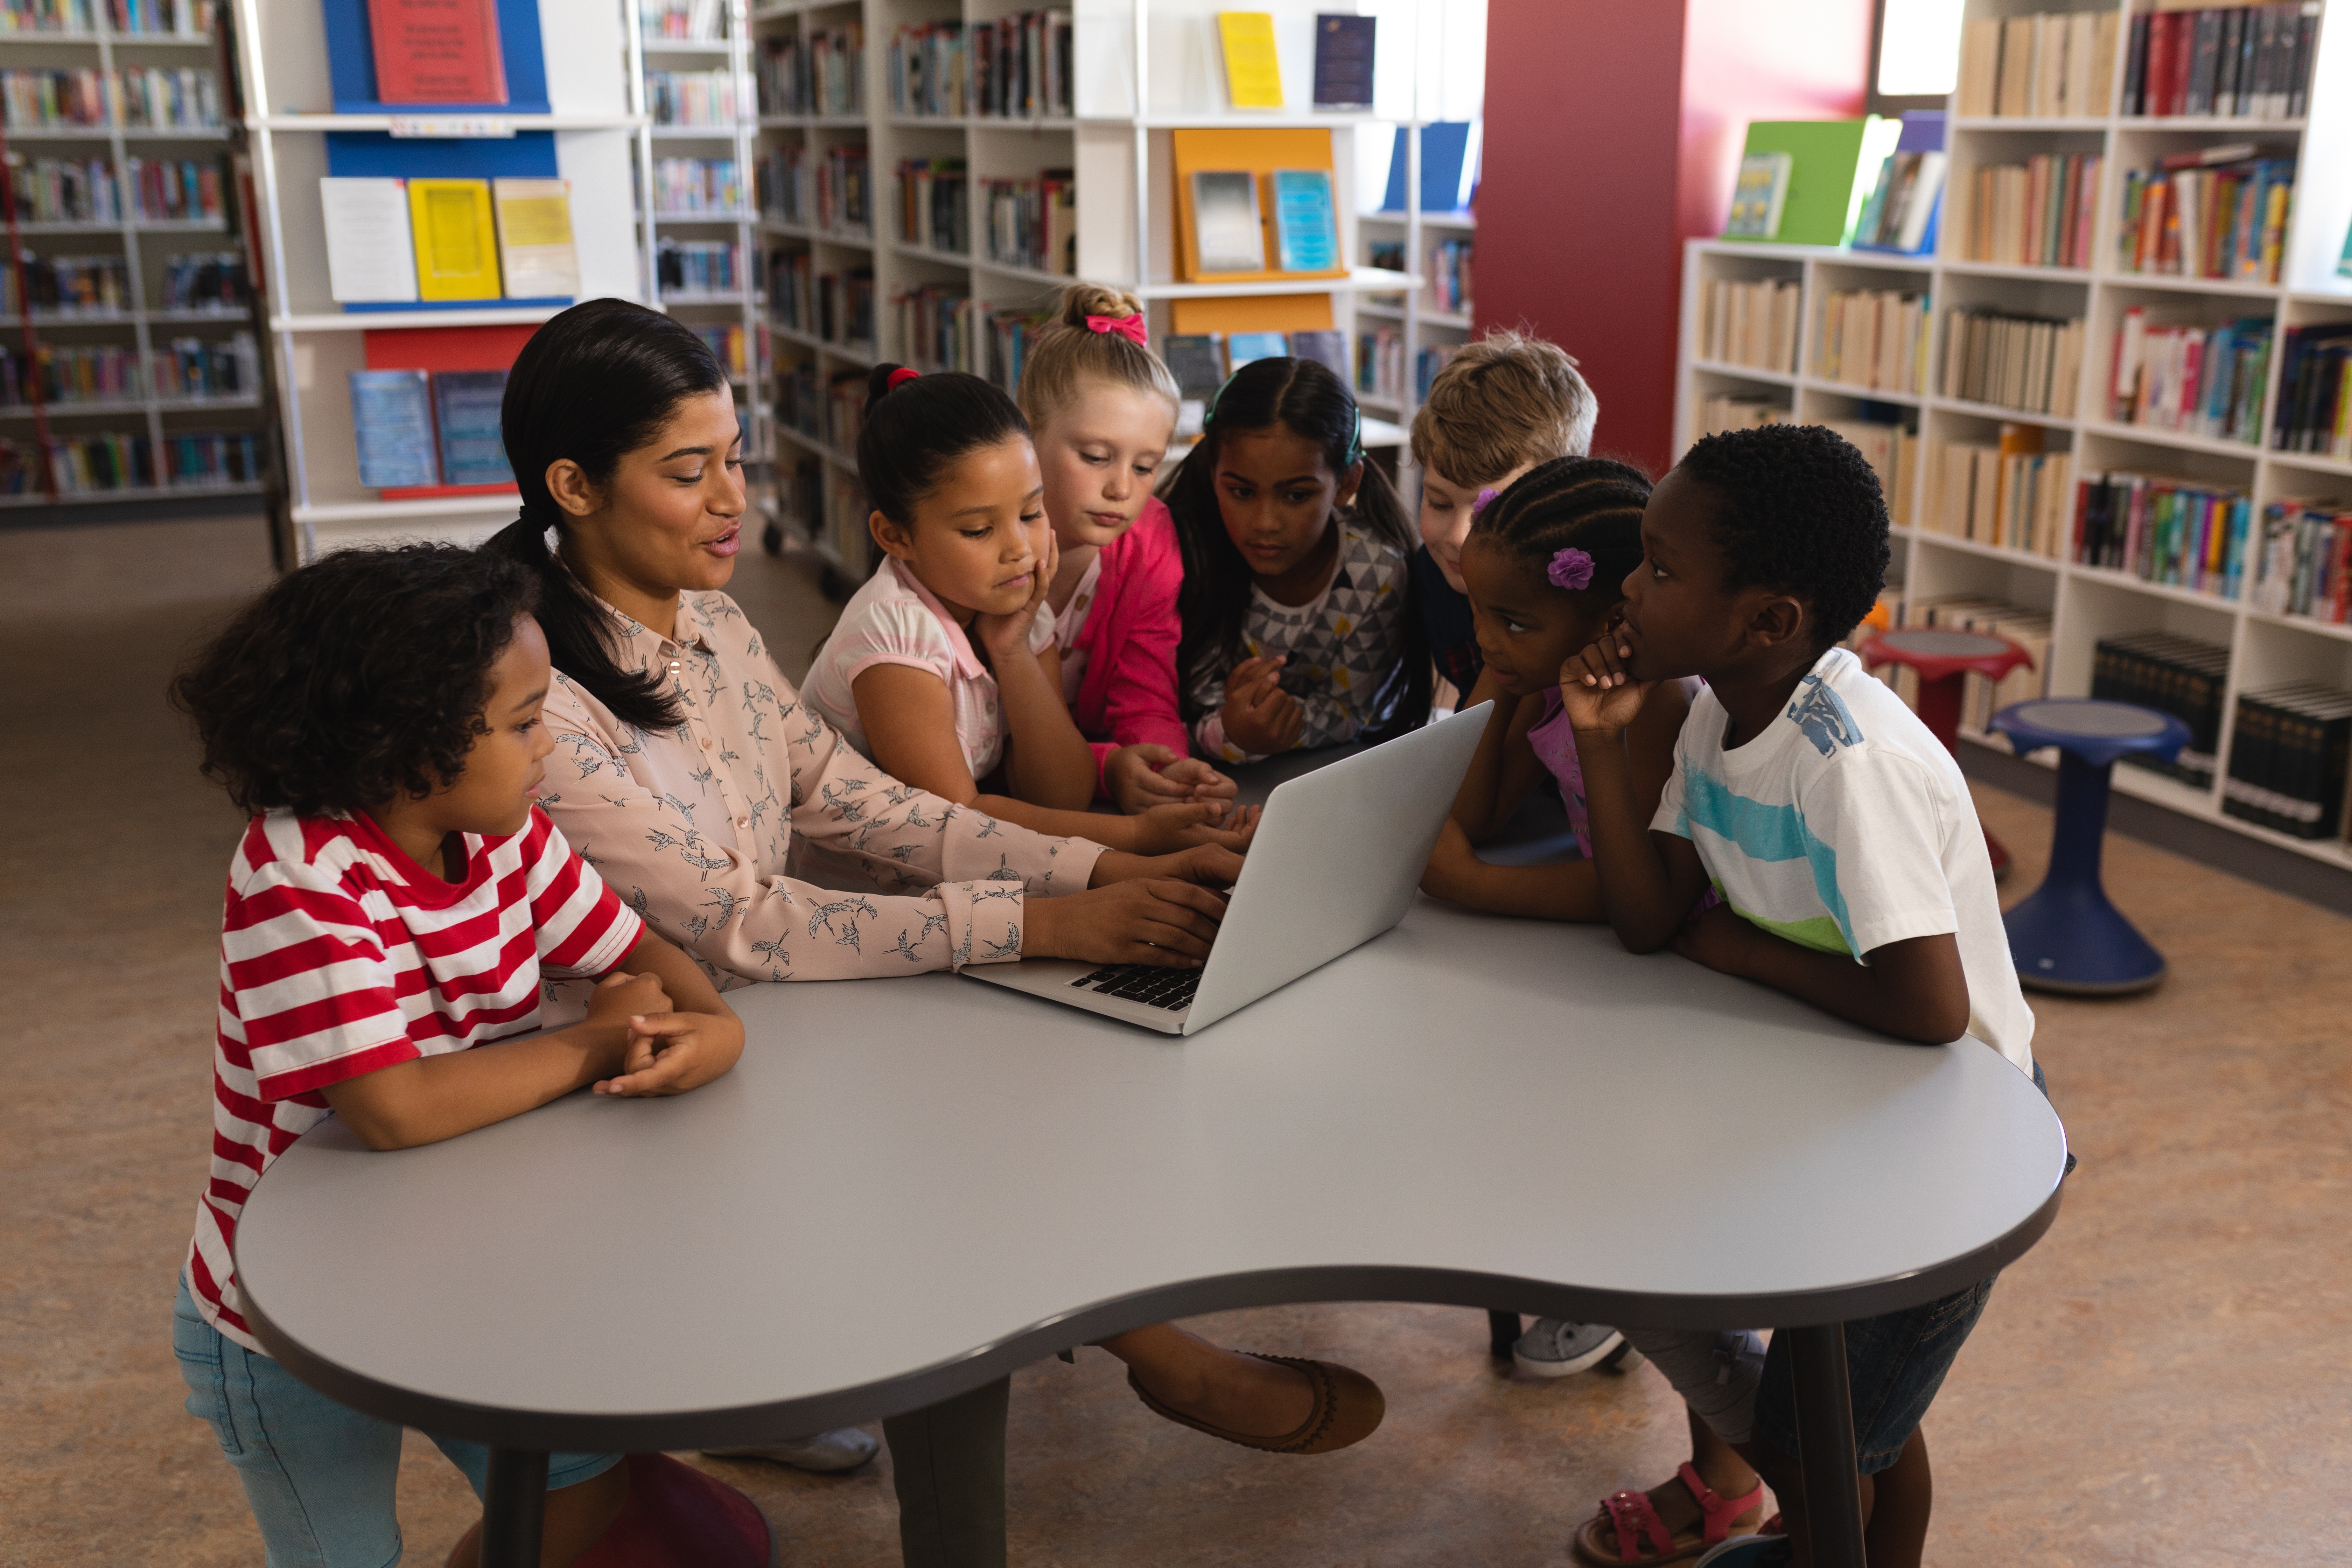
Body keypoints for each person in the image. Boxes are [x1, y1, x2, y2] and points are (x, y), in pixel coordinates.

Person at [487, 300, 1384, 1566]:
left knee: (1016, 1082)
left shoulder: (719, 625)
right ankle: (1160, 1372)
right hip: (642, 1077)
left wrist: (1100, 855)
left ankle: (1112, 1367)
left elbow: (862, 804)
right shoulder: (543, 706)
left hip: (763, 1027)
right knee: (959, 1182)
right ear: (572, 487)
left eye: (734, 457)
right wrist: (1047, 915)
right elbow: (741, 922)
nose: (730, 499)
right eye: (689, 473)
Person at [167, 544, 745, 1568]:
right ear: (409, 738)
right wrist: (598, 1039)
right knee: (341, 1554)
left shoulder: (503, 832)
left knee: (580, 1486)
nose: (545, 745)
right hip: (281, 1316)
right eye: (523, 722)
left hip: (465, 1273)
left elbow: (647, 954)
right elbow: (396, 1107)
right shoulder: (300, 870)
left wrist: (716, 1027)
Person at [1558, 424, 2037, 1568]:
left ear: (1771, 618)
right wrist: (1601, 744)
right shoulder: (1720, 708)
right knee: (1850, 1407)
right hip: (1855, 1094)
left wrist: (1741, 953)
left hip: (1951, 1142)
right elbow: (1648, 916)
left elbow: (1928, 1005)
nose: (1630, 587)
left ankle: (1842, 1553)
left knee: (1814, 1432)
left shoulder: (1845, 759)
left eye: (1662, 570)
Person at [802, 363, 1255, 854]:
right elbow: (954, 820)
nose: (1019, 548)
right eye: (978, 530)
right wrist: (1136, 838)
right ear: (896, 537)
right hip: (846, 881)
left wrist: (1013, 651)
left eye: (1031, 513)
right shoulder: (893, 631)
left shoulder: (1013, 604)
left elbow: (1062, 792)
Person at [1419, 455, 1691, 923]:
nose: (1484, 638)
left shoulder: (1654, 702)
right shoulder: (1550, 681)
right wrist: (1503, 664)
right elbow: (1472, 816)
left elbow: (1640, 891)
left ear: (1611, 622)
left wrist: (1473, 884)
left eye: (1514, 623)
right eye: (1479, 611)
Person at [1013, 282, 1236, 813]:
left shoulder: (1151, 539)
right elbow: (979, 741)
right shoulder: (984, 544)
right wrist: (1106, 768)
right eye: (1095, 456)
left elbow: (1147, 687)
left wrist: (1164, 769)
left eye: (1145, 467)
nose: (1122, 489)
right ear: (1026, 433)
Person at [1168, 355, 1428, 761]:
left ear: (1346, 483)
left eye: (1296, 496)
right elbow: (1161, 704)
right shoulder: (1182, 550)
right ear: (1212, 473)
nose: (1265, 523)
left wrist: (1272, 726)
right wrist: (1230, 733)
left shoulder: (1375, 573)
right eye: (1241, 492)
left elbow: (1352, 712)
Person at [1407, 330, 1598, 704]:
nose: (1459, 537)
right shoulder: (1433, 576)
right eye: (1440, 504)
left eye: (1489, 511)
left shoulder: (1585, 600)